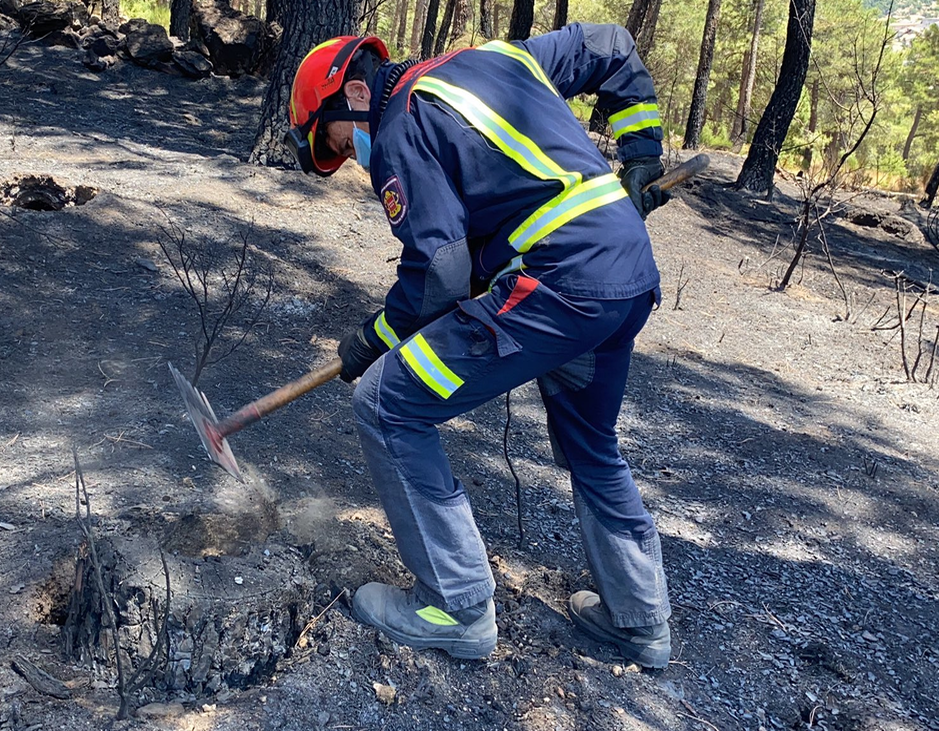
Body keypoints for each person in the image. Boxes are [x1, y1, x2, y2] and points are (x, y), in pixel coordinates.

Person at [282, 24, 672, 668]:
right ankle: (638, 621)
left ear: (354, 91)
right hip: (624, 279)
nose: (350, 158)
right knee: (590, 441)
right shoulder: (495, 59)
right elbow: (610, 45)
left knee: (390, 403)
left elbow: (439, 273)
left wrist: (370, 342)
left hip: (559, 287)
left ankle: (453, 606)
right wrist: (641, 152)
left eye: (336, 140)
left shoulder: (403, 121)